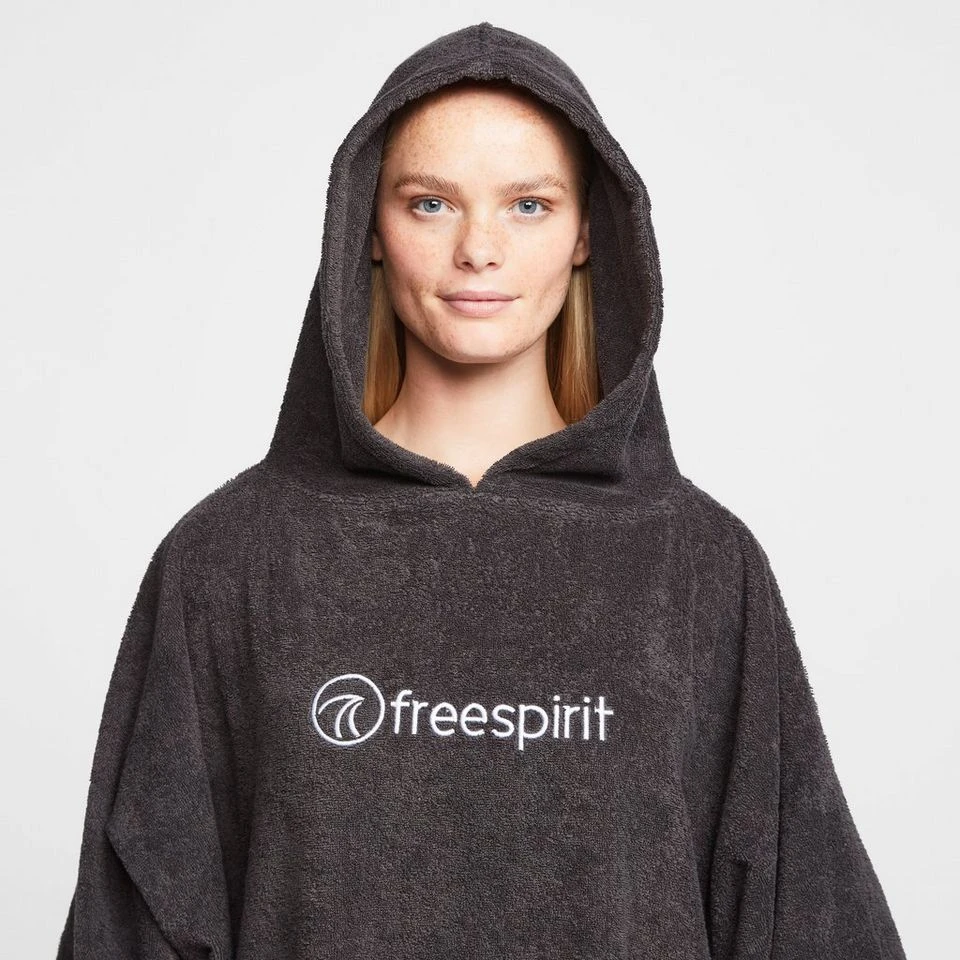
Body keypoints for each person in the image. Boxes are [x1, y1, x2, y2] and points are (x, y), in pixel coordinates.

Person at [56, 21, 908, 959]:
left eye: (529, 205)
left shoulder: (700, 563)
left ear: (587, 233)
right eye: (430, 203)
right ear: (368, 230)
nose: (479, 249)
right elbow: (137, 917)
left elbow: (803, 916)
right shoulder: (230, 559)